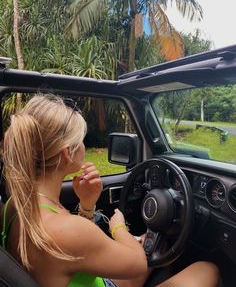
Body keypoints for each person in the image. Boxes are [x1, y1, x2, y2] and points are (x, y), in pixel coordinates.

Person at [0, 94, 220, 287]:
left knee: (148, 241)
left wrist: (87, 206)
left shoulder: (14, 206)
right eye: (82, 140)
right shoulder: (65, 231)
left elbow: (72, 253)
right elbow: (139, 265)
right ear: (67, 153)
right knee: (208, 269)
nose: (84, 146)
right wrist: (118, 228)